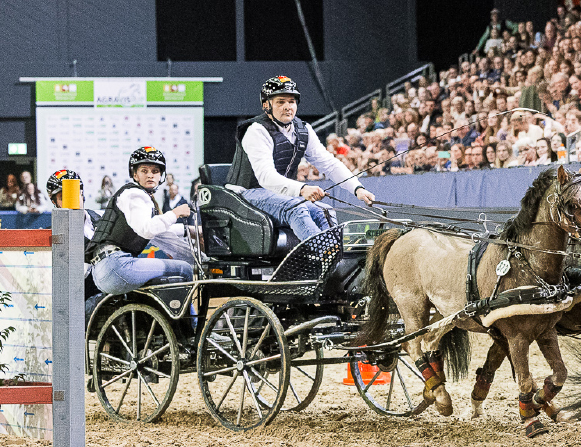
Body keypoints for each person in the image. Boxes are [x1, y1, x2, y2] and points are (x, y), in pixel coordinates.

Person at [226, 77, 377, 242]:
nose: (287, 107)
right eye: (280, 102)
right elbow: (265, 177)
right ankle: (323, 255)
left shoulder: (303, 130)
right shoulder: (256, 131)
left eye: (291, 101)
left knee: (325, 211)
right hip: (244, 196)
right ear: (266, 105)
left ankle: (334, 259)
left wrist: (357, 189)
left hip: (276, 195)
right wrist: (302, 189)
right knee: (295, 209)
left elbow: (329, 164)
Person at [88, 147, 196, 295]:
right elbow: (147, 229)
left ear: (161, 176)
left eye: (155, 171)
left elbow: (159, 231)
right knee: (184, 269)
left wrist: (191, 231)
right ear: (135, 174)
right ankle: (188, 319)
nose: (150, 175)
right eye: (144, 171)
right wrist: (175, 213)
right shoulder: (135, 194)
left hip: (106, 269)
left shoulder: (135, 195)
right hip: (117, 266)